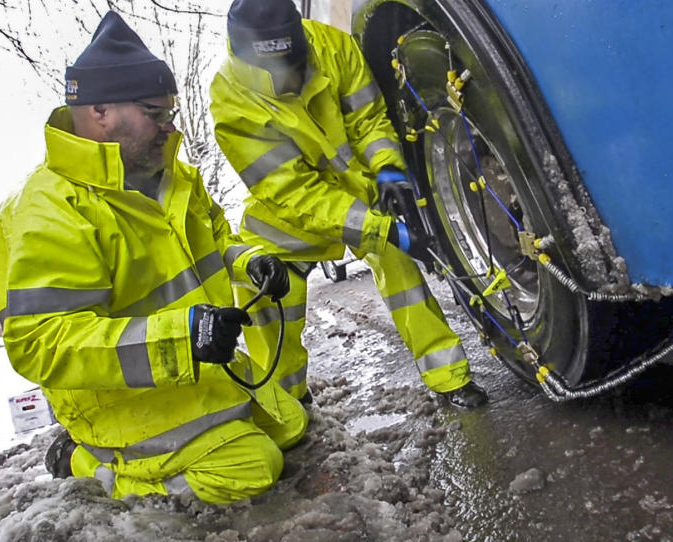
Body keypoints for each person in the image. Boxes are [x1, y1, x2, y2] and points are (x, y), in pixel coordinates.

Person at [0, 11, 307, 504]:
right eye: (155, 114)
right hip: (124, 406)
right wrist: (184, 337)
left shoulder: (172, 178)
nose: (167, 127)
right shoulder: (47, 211)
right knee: (254, 471)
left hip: (197, 374)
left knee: (294, 426)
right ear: (100, 110)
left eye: (168, 114)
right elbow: (42, 344)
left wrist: (251, 262)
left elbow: (218, 243)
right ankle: (88, 461)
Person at [208, 0, 488, 408]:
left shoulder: (332, 46)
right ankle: (286, 405)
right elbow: (293, 193)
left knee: (402, 270)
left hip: (361, 189)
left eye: (295, 59)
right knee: (266, 290)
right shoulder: (230, 101)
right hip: (291, 216)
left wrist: (388, 171)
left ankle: (449, 377)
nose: (292, 75)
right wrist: (379, 227)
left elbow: (368, 120)